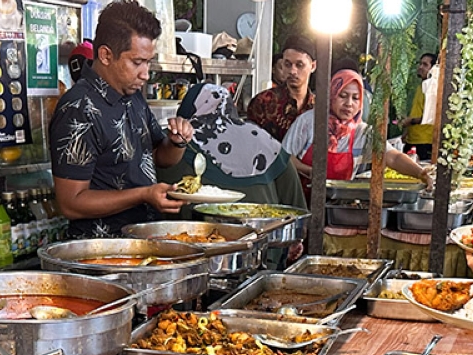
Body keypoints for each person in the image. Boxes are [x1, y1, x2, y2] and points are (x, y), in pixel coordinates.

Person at [48, 0, 194, 237]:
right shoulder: (78, 108)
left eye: (148, 62)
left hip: (144, 238)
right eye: (137, 62)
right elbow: (71, 203)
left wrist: (177, 141)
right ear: (106, 55)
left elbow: (159, 157)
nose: (145, 74)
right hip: (102, 250)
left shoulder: (133, 96)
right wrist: (143, 195)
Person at [156, 82, 306, 209]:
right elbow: (297, 207)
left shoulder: (173, 141)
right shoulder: (267, 142)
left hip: (191, 230)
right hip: (262, 228)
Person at [282, 69, 432, 187]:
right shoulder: (309, 122)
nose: (349, 103)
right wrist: (309, 171)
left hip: (337, 204)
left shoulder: (363, 132)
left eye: (355, 98)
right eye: (343, 96)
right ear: (332, 95)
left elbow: (393, 157)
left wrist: (420, 173)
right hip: (302, 198)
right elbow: (284, 157)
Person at [246, 35, 316, 141]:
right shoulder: (263, 102)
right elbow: (250, 142)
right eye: (287, 64)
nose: (292, 71)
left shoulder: (319, 108)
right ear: (282, 64)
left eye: (299, 65)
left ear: (313, 66)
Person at [401, 53, 438, 160]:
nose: (420, 67)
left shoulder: (432, 89)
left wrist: (410, 121)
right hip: (412, 139)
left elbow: (431, 117)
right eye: (420, 64)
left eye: (425, 65)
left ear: (433, 69)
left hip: (424, 141)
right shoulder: (421, 86)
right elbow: (417, 111)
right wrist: (406, 132)